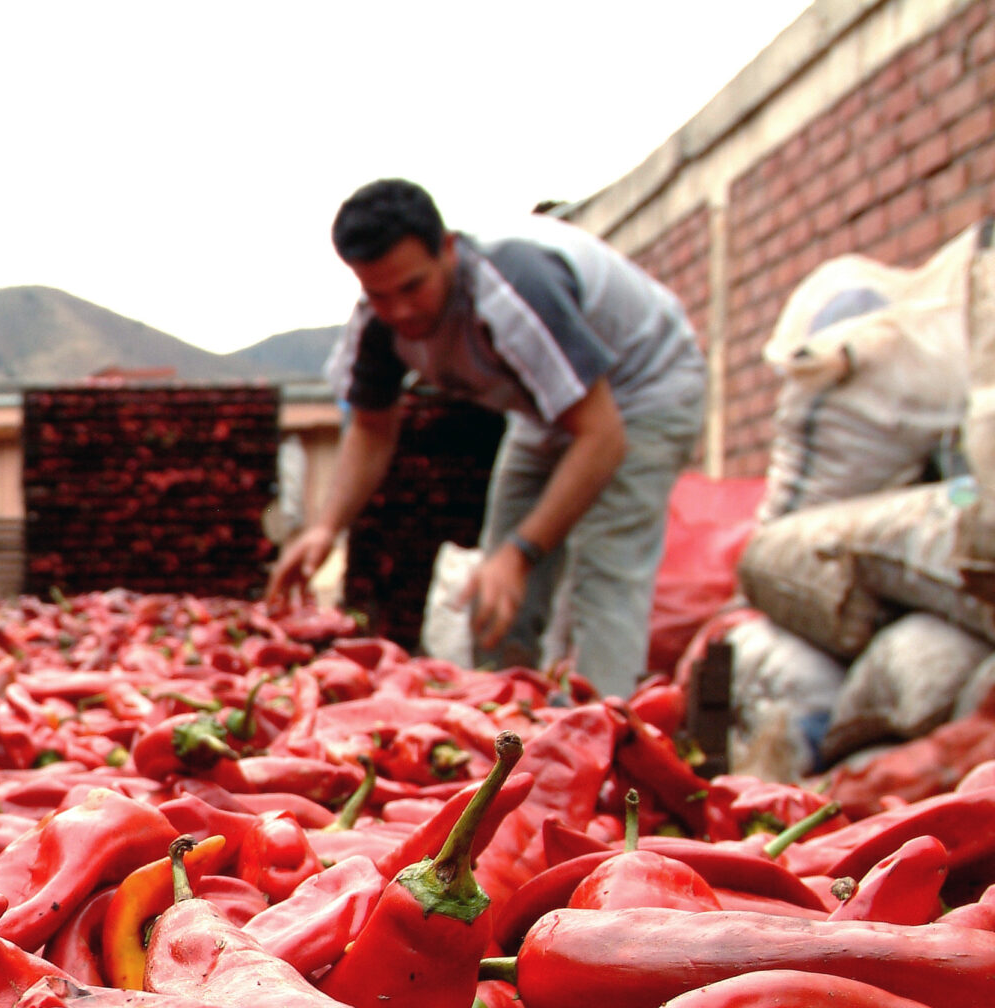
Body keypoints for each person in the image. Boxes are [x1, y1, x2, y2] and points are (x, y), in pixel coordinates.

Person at [268, 179, 706, 698]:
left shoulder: (514, 289)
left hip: (643, 392)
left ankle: (607, 737)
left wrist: (523, 550)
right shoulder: (379, 323)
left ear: (448, 249)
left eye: (412, 287)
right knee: (497, 587)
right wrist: (326, 528)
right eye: (379, 294)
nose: (401, 311)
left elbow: (602, 438)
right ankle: (505, 722)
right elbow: (370, 427)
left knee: (603, 574)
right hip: (546, 411)